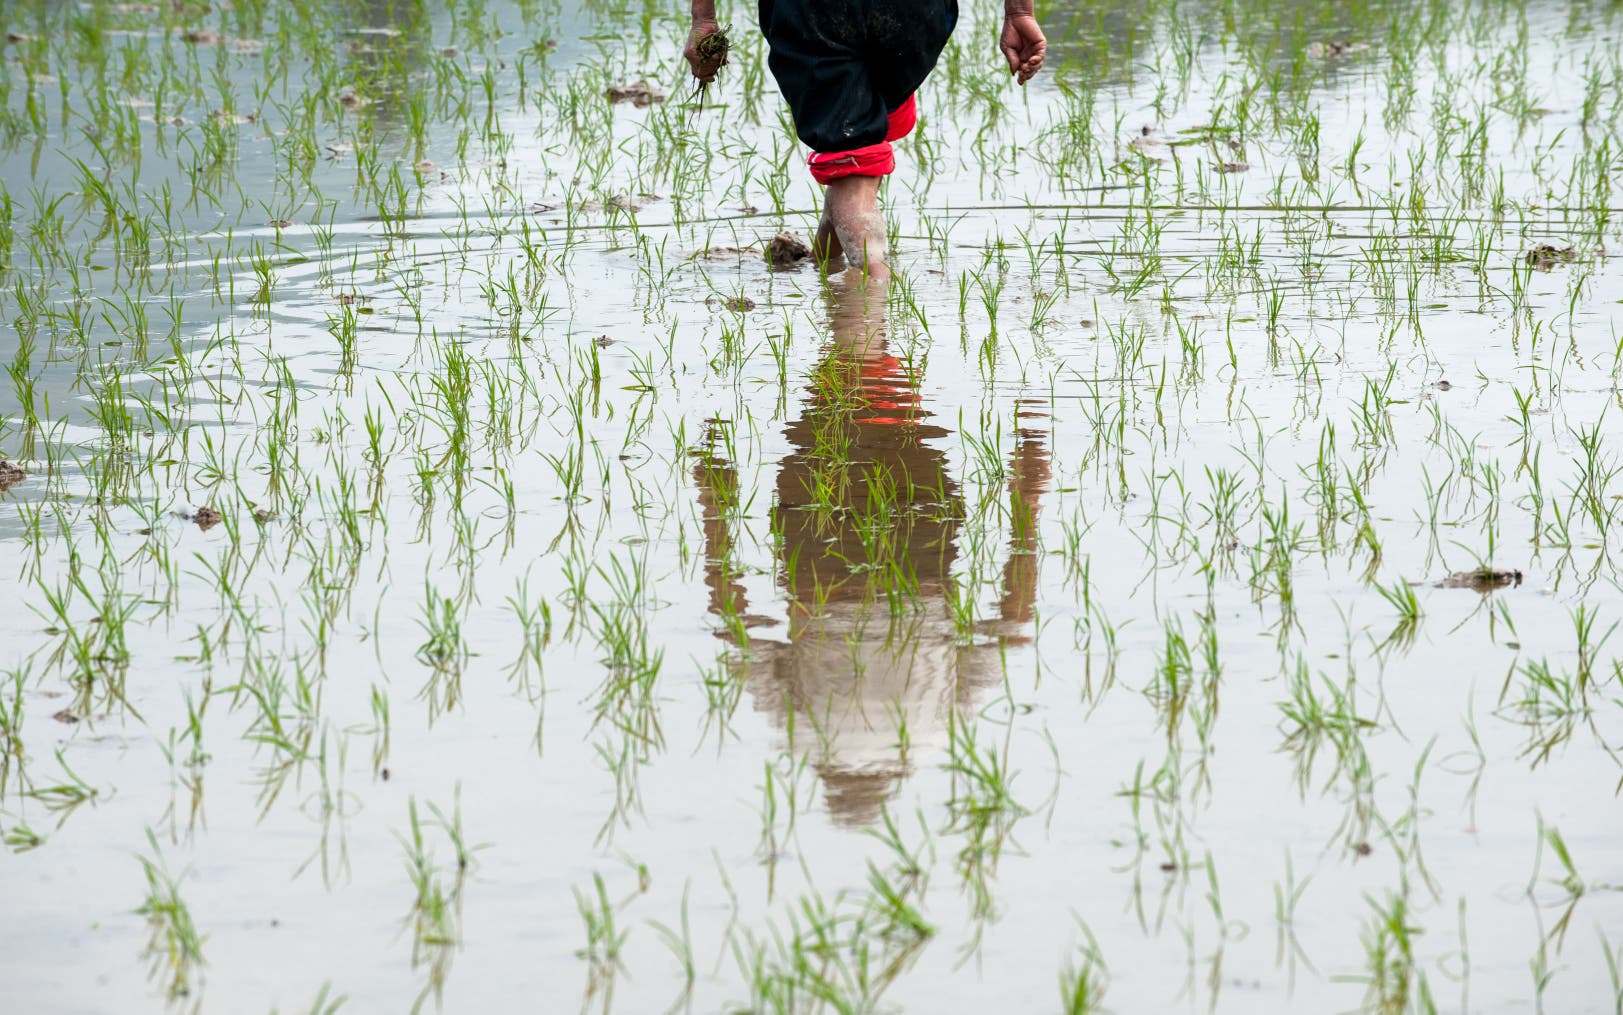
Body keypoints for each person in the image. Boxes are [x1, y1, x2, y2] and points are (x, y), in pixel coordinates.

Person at [692, 274, 1051, 826]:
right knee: (844, 394)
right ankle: (858, 277)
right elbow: (732, 626)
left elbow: (1015, 623)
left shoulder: (925, 736)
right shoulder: (811, 735)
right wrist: (713, 500)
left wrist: (1030, 492)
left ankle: (856, 276)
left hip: (907, 560)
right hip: (830, 561)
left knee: (864, 393)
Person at [684, 0, 1047, 278]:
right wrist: (1018, 10)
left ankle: (865, 342)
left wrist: (704, 19)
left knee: (851, 150)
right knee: (855, 140)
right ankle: (825, 263)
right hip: (916, 13)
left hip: (816, 12)